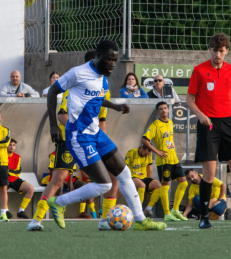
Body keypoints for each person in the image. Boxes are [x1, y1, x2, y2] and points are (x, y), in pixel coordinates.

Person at [45, 40, 166, 231]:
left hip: (96, 133)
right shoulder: (77, 73)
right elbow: (53, 92)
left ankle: (141, 220)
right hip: (79, 136)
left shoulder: (103, 77)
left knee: (124, 173)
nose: (112, 64)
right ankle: (59, 202)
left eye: (115, 60)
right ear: (98, 56)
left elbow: (96, 99)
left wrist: (115, 106)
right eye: (109, 59)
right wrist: (53, 125)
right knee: (103, 184)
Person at [27, 50, 115, 231]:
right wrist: (78, 131)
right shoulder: (74, 87)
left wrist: (100, 142)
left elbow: (102, 119)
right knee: (59, 178)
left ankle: (104, 219)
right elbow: (62, 115)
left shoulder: (103, 87)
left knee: (111, 176)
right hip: (72, 140)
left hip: (92, 140)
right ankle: (36, 220)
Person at [186, 33, 231, 229]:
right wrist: (200, 115)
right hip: (208, 125)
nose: (218, 54)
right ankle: (204, 217)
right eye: (215, 50)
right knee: (209, 174)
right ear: (209, 50)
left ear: (227, 51)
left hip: (228, 123)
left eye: (221, 51)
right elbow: (188, 100)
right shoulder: (199, 70)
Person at [141, 101, 189, 222]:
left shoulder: (171, 123)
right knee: (165, 186)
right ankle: (167, 213)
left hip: (174, 158)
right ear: (158, 112)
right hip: (164, 161)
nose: (163, 110)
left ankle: (175, 210)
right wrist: (157, 151)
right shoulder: (155, 125)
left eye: (165, 108)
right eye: (161, 109)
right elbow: (144, 139)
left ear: (168, 110)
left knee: (183, 183)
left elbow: (170, 139)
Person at [0, 139, 35, 219]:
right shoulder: (0, 155)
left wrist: (7, 170)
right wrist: (6, 171)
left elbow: (18, 171)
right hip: (1, 177)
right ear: (6, 145)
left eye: (14, 145)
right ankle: (6, 211)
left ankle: (21, 211)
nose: (12, 147)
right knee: (2, 189)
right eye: (10, 145)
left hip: (14, 178)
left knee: (31, 188)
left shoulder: (17, 156)